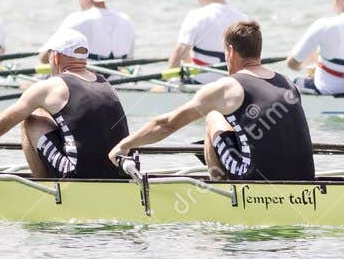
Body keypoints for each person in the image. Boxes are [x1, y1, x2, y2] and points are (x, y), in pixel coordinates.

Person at [112, 20, 314, 182]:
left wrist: (124, 145)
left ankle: (220, 189)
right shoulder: (288, 83)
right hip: (305, 178)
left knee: (213, 117)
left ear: (231, 51)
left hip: (254, 180)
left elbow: (166, 125)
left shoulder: (228, 86)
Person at [0, 28, 130, 180]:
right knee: (44, 113)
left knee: (30, 121)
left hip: (78, 176)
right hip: (120, 173)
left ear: (56, 58)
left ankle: (43, 188)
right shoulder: (106, 84)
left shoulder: (51, 86)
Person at [168, 0, 246, 81]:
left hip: (201, 87)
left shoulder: (195, 16)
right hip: (234, 87)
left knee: (164, 85)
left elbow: (179, 53)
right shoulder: (243, 19)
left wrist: (165, 82)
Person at [57, 0, 135, 61]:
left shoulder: (76, 19)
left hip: (87, 74)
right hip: (118, 74)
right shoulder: (127, 20)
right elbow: (130, 59)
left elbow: (44, 58)